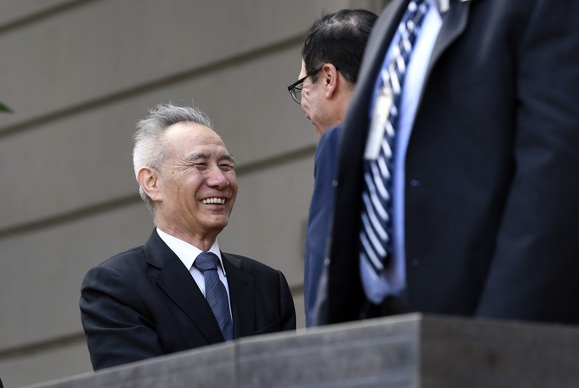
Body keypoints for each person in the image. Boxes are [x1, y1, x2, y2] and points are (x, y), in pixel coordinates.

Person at [315, 0, 579, 326]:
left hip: (476, 333)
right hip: (374, 334)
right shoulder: (395, 18)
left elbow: (553, 176)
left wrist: (497, 339)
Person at [80, 104, 296, 370]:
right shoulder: (116, 286)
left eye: (226, 165)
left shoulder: (267, 284)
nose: (220, 180)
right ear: (152, 182)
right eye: (200, 165)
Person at [287, 9, 377, 326]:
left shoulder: (338, 142)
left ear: (328, 78)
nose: (303, 104)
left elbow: (325, 270)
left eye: (302, 85)